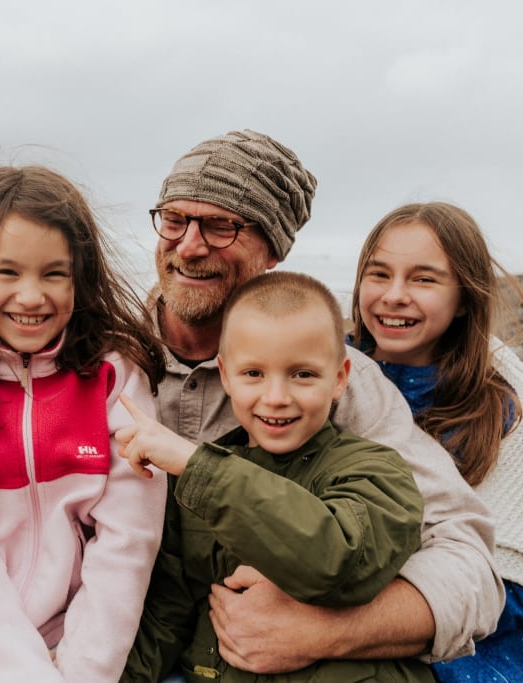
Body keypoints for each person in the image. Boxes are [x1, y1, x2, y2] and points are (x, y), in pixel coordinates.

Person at [134, 129, 502, 677]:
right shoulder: (103, 358)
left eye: (221, 225)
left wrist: (325, 632)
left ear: (275, 252)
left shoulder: (345, 387)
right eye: (174, 219)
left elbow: (469, 564)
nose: (189, 245)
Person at [0, 165, 168, 682]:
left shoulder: (115, 376)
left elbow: (128, 540)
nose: (32, 296)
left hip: (77, 650)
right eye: (8, 272)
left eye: (53, 273)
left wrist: (81, 672)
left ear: (79, 276)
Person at [119, 270, 433, 681]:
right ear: (226, 375)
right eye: (254, 374)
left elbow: (336, 559)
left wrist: (198, 467)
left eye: (302, 374)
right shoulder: (192, 486)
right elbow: (166, 617)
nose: (277, 398)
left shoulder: (376, 471)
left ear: (339, 378)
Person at [351, 202, 523, 681]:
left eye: (424, 279)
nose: (394, 295)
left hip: (471, 649)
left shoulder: (502, 409)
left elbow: (510, 579)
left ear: (465, 297)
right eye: (379, 274)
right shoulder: (322, 377)